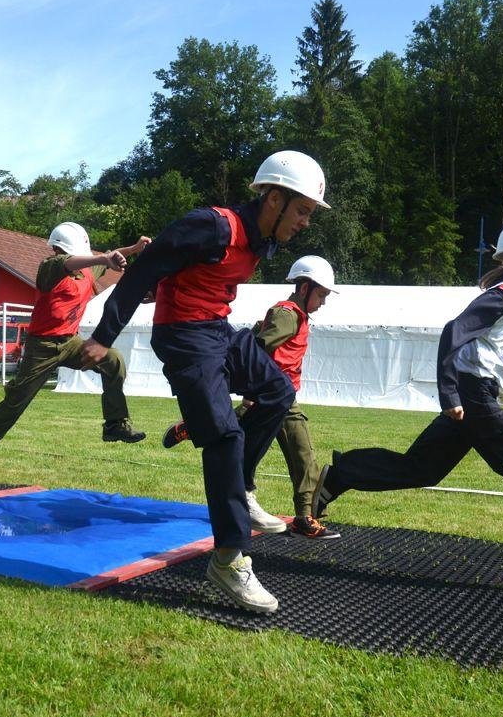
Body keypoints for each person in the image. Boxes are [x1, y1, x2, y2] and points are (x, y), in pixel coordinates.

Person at [79, 150, 330, 613]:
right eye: (301, 211)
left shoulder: (263, 240)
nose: (305, 223)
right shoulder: (213, 226)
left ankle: (244, 486)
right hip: (184, 338)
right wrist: (102, 337)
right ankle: (230, 558)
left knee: (278, 392)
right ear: (273, 199)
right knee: (224, 437)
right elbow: (144, 269)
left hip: (217, 331)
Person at [310, 219, 503, 590]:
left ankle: (340, 475)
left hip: (475, 396)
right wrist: (450, 394)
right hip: (474, 397)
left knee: (420, 470)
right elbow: (453, 332)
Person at [162, 255, 341, 540]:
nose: (324, 302)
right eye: (321, 294)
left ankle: (193, 426)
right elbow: (257, 349)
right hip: (273, 394)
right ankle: (302, 516)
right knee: (298, 452)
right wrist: (255, 389)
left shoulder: (296, 314)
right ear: (304, 288)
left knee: (284, 446)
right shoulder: (288, 314)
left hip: (281, 395)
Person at [0, 223, 149, 485]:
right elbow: (72, 262)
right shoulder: (49, 268)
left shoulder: (87, 269)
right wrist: (103, 258)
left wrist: (132, 249)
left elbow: (108, 257)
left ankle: (115, 424)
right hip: (42, 348)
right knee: (16, 402)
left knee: (113, 360)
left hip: (72, 343)